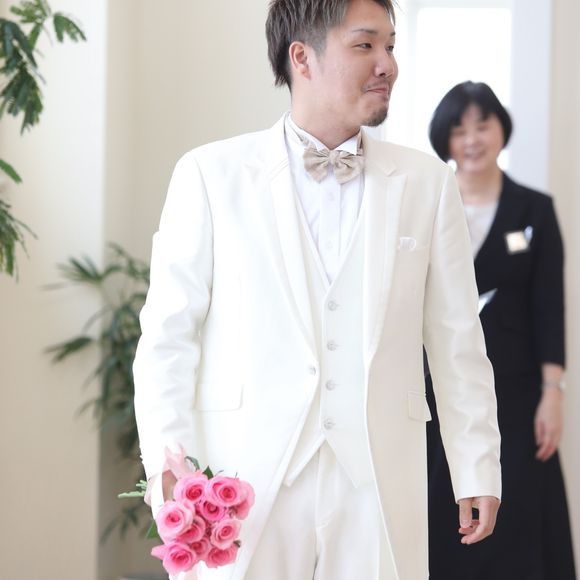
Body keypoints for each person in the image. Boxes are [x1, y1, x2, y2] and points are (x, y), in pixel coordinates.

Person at [133, 3, 502, 580]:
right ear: (301, 58)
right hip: (244, 480)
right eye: (365, 45)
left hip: (377, 477)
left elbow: (459, 338)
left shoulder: (427, 183)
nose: (387, 64)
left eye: (391, 46)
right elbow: (167, 337)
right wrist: (168, 465)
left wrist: (476, 463)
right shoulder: (209, 174)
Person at [426, 81, 576, 580]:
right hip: (437, 391)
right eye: (459, 129)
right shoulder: (426, 203)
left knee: (519, 515)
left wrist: (552, 393)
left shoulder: (533, 209)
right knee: (441, 515)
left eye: (482, 126)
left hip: (516, 391)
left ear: (501, 131)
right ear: (444, 138)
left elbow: (548, 307)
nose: (472, 139)